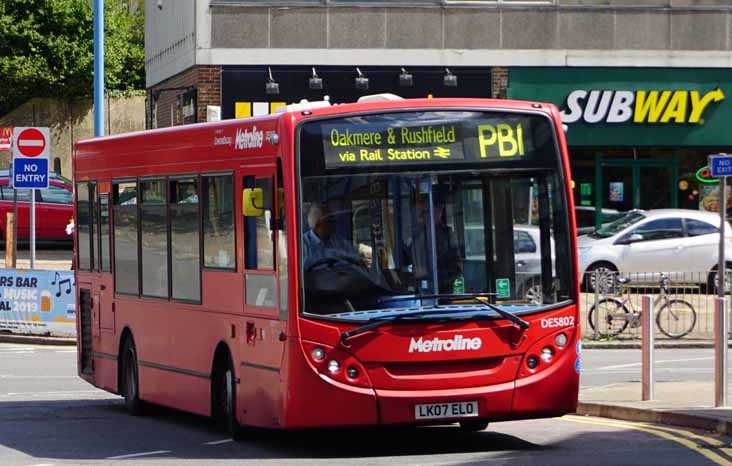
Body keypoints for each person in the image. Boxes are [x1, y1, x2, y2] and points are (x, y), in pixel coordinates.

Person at [406, 197, 462, 293]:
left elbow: (456, 268)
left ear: (438, 212)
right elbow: (407, 260)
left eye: (427, 211)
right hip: (420, 292)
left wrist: (430, 274)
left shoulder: (447, 235)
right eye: (422, 213)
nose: (423, 216)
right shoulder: (418, 235)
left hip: (442, 294)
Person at [302, 204, 362, 270]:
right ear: (318, 223)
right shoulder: (303, 244)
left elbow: (357, 260)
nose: (335, 221)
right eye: (330, 218)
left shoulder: (339, 241)